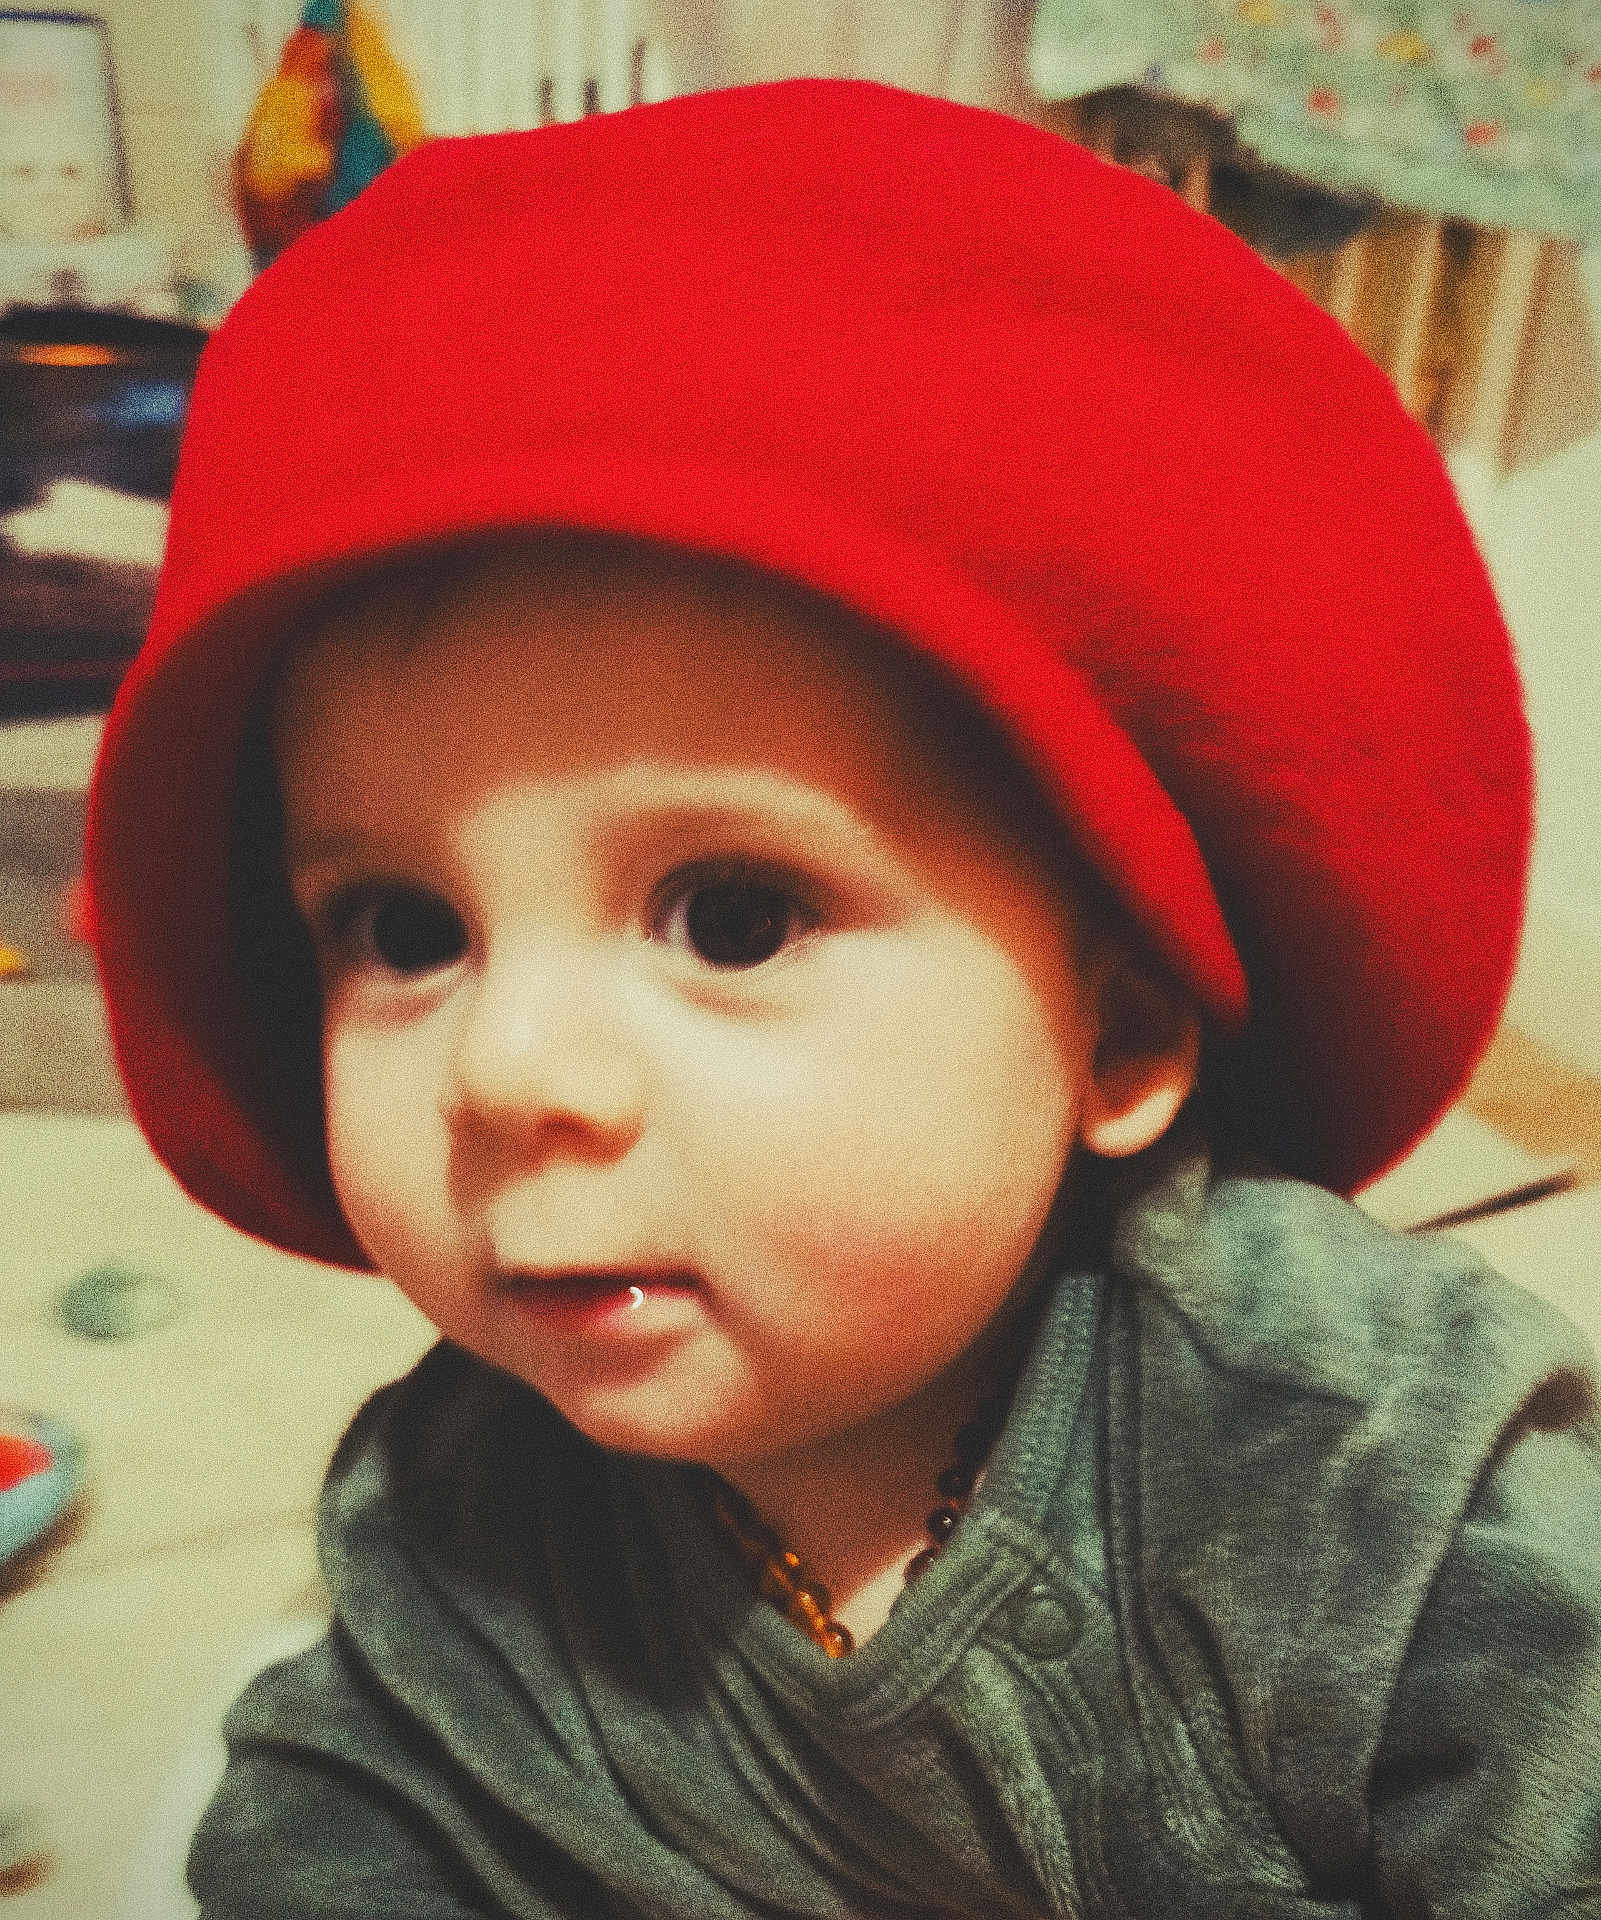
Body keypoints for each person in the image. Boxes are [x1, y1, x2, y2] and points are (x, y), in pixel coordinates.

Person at [85, 78, 1601, 1919]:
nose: (505, 1065)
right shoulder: (464, 1517)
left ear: (1115, 1034)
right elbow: (336, 1813)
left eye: (731, 917)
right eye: (406, 930)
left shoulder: (1367, 1466)